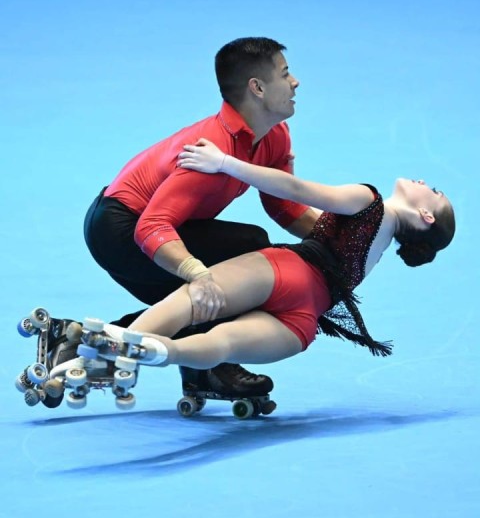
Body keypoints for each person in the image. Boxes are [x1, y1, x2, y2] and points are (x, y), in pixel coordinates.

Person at [44, 37, 320, 407]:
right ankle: (199, 366)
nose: (295, 82)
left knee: (222, 282)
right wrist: (198, 274)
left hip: (164, 229)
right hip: (120, 229)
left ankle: (79, 341)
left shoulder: (274, 136)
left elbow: (286, 209)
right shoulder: (209, 152)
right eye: (285, 74)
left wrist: (348, 240)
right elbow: (151, 227)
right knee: (249, 253)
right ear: (257, 88)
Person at [106, 144, 455, 375]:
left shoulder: (368, 200)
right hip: (304, 320)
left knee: (188, 303)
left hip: (285, 272)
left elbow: (295, 190)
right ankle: (167, 352)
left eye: (434, 191)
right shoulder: (381, 239)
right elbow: (316, 224)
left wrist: (225, 162)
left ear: (426, 215)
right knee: (223, 343)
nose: (425, 182)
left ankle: (109, 352)